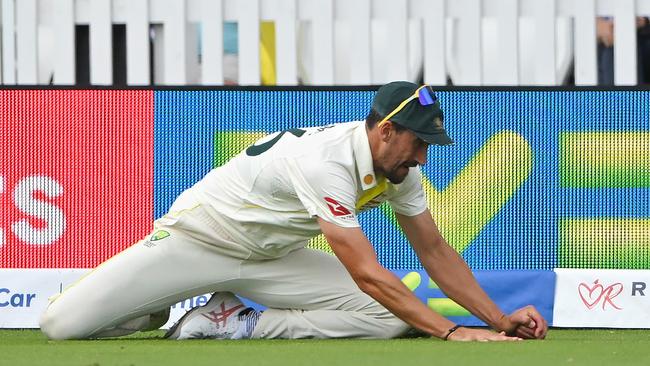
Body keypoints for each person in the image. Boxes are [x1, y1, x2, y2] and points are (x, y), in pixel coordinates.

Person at [39, 81, 548, 341]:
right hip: (198, 240)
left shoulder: (399, 170)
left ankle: (235, 322)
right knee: (58, 326)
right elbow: (367, 272)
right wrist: (455, 333)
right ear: (386, 130)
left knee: (390, 319)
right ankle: (150, 305)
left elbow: (435, 251)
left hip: (272, 257)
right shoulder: (326, 162)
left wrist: (499, 320)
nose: (422, 157)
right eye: (419, 143)